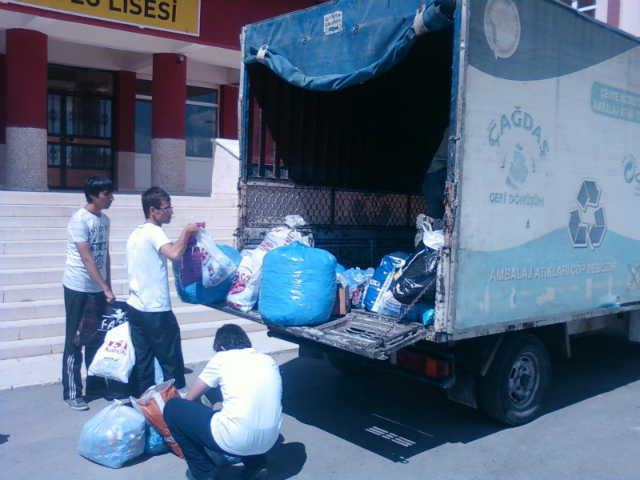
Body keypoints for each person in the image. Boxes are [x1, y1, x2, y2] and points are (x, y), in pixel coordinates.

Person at [164, 324, 283, 480]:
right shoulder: (268, 360)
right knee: (247, 414)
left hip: (235, 441)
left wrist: (204, 413)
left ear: (221, 347)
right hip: (270, 441)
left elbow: (191, 398)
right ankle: (257, 467)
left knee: (174, 408)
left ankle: (205, 473)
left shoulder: (222, 358)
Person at [126, 186, 200, 397]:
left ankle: (146, 404)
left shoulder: (136, 233)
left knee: (144, 361)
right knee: (171, 359)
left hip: (136, 306)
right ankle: (180, 404)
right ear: (153, 210)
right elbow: (174, 254)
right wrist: (186, 232)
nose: (171, 212)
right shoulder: (153, 231)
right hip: (155, 309)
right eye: (167, 208)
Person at [62, 174, 116, 411]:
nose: (111, 198)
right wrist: (103, 286)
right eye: (106, 194)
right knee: (75, 340)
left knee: (97, 338)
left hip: (99, 288)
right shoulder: (79, 220)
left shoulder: (104, 220)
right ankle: (72, 391)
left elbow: (105, 255)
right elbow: (86, 258)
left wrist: (108, 285)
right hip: (79, 288)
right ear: (93, 195)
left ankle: (96, 384)